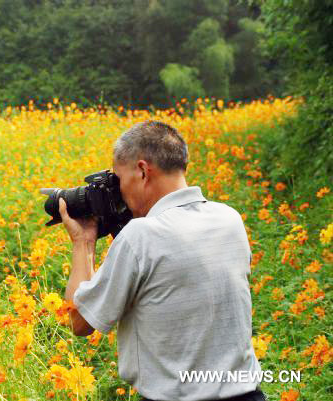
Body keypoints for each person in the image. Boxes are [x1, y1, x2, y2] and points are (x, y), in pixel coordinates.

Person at [58, 120, 265, 401]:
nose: (118, 190)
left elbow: (78, 321)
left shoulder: (140, 236)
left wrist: (83, 242)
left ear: (142, 171)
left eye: (119, 179)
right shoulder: (229, 219)